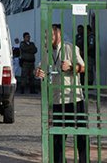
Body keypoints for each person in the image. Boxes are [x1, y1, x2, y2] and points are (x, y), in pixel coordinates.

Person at [36, 24, 88, 163]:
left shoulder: (70, 48)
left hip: (74, 97)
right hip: (57, 99)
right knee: (58, 137)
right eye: (46, 37)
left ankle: (83, 160)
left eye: (51, 35)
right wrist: (39, 72)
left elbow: (82, 68)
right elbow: (43, 71)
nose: (48, 39)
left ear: (58, 35)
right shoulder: (46, 52)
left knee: (81, 135)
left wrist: (71, 66)